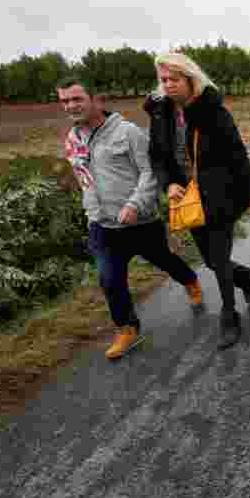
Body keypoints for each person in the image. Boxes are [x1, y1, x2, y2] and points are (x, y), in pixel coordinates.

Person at [58, 78, 203, 360]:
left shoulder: (127, 133)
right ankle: (127, 328)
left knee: (164, 259)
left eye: (76, 99)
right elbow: (84, 181)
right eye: (65, 101)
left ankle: (190, 280)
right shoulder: (72, 141)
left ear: (95, 99)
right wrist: (92, 214)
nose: (71, 106)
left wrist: (135, 204)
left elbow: (150, 172)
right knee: (109, 278)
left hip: (140, 222)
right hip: (103, 225)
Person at [145, 52, 250, 350]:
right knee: (211, 261)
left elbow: (237, 154)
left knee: (219, 258)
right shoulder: (161, 114)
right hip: (189, 198)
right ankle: (245, 277)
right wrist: (169, 182)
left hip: (222, 194)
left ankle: (229, 317)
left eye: (174, 79)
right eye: (163, 80)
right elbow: (157, 156)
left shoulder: (213, 112)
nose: (168, 85)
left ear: (190, 79)